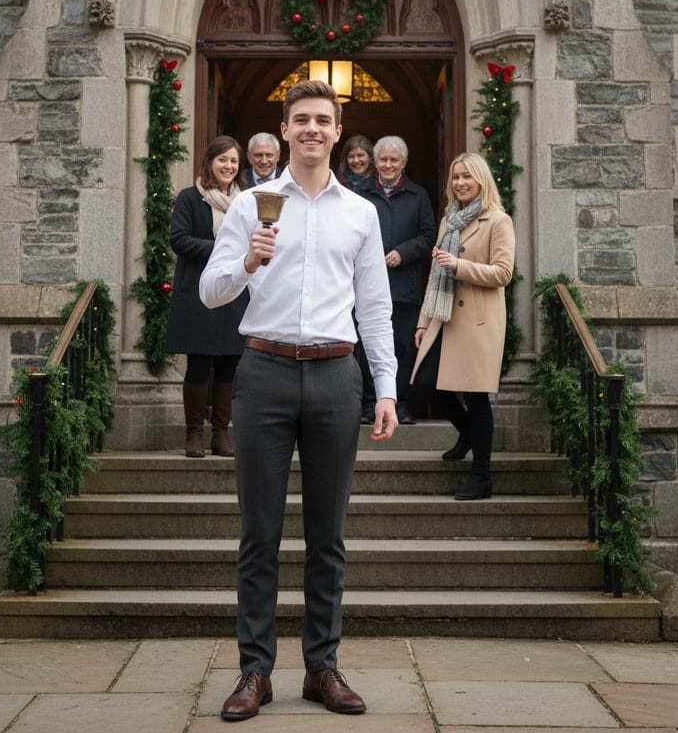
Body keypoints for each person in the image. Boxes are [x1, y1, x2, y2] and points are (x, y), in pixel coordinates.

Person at [199, 80, 398, 722]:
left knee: (327, 535)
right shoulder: (253, 204)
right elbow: (210, 292)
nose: (312, 129)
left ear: (338, 132)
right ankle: (254, 671)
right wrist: (247, 264)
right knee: (259, 532)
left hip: (337, 377)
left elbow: (374, 307)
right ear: (284, 131)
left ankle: (322, 668)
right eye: (301, 120)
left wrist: (386, 388)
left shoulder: (360, 213)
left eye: (323, 120)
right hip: (264, 370)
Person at [411, 152, 515, 500]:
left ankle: (481, 476)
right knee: (428, 384)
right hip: (444, 316)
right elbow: (435, 275)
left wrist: (460, 265)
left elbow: (503, 273)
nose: (460, 183)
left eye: (467, 177)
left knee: (475, 396)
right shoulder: (448, 220)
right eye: (455, 177)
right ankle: (469, 433)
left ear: (481, 180)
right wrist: (424, 321)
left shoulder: (497, 220)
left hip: (477, 321)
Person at [165, 135, 248, 458]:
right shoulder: (190, 198)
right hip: (198, 292)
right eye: (222, 160)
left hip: (235, 293)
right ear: (209, 162)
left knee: (229, 365)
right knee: (198, 365)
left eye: (233, 161)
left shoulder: (247, 202)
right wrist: (223, 251)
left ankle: (221, 435)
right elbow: (179, 240)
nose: (228, 166)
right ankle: (194, 434)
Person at [357, 136, 436, 425]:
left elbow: (429, 235)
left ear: (403, 163)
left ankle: (401, 403)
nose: (388, 165)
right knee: (366, 345)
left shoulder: (418, 195)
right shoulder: (361, 194)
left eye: (394, 160)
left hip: (405, 286)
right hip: (367, 284)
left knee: (402, 347)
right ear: (375, 162)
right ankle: (369, 403)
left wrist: (403, 253)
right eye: (383, 160)